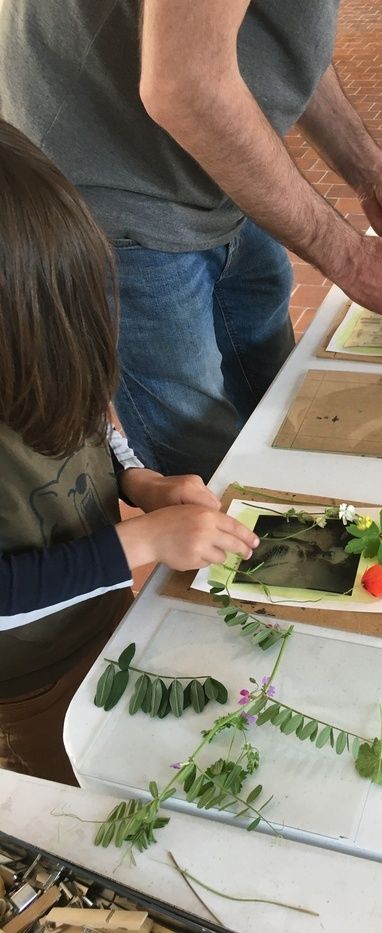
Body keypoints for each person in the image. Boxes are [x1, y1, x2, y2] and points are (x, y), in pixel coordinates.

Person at [0, 0, 382, 481]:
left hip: (217, 171)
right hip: (108, 190)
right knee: (206, 464)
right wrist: (349, 259)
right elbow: (184, 84)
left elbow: (286, 36)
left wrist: (373, 175)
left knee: (279, 393)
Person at [0, 120, 259, 784]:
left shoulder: (44, 330)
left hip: (108, 616)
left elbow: (95, 412)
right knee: (89, 808)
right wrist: (139, 543)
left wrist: (139, 480)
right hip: (26, 687)